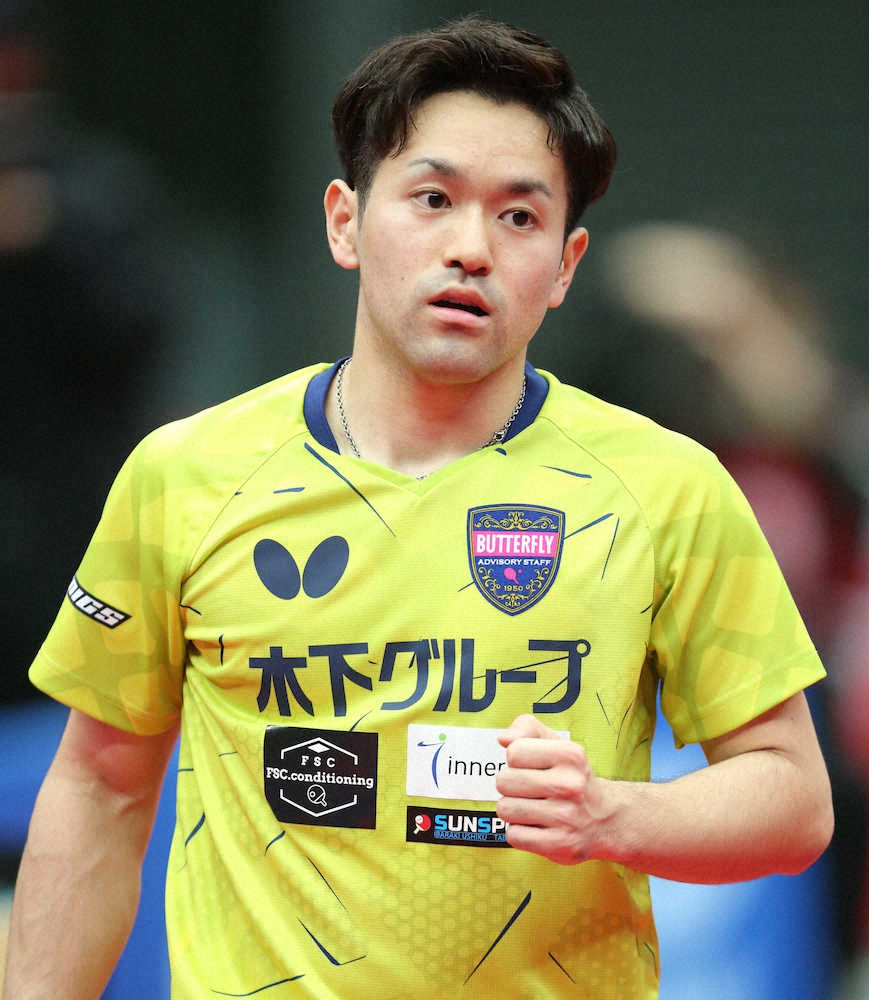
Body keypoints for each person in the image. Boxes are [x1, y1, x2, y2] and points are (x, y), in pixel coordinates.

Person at [2, 15, 833, 999]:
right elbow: (100, 786)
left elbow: (793, 801)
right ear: (345, 222)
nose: (470, 248)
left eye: (518, 217)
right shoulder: (185, 477)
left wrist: (609, 814)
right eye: (432, 199)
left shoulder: (667, 489)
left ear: (564, 265)